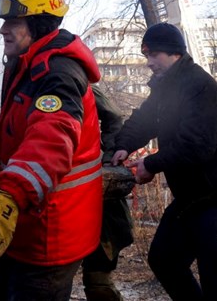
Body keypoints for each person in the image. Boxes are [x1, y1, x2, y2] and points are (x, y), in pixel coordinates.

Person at [0, 0, 103, 301]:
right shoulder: (26, 63)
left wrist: (9, 196)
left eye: (12, 21)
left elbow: (51, 140)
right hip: (28, 221)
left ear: (38, 23)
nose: (2, 30)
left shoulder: (58, 72)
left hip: (51, 233)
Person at [110, 23, 217, 301]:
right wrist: (123, 145)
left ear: (174, 53)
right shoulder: (165, 91)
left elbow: (197, 145)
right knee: (164, 260)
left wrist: (151, 164)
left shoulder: (201, 87)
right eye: (146, 55)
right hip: (190, 200)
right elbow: (144, 120)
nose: (148, 63)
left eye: (154, 55)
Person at [82, 82, 135, 301]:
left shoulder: (74, 79)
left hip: (90, 183)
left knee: (98, 280)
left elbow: (112, 116)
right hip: (49, 187)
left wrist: (108, 158)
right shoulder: (24, 79)